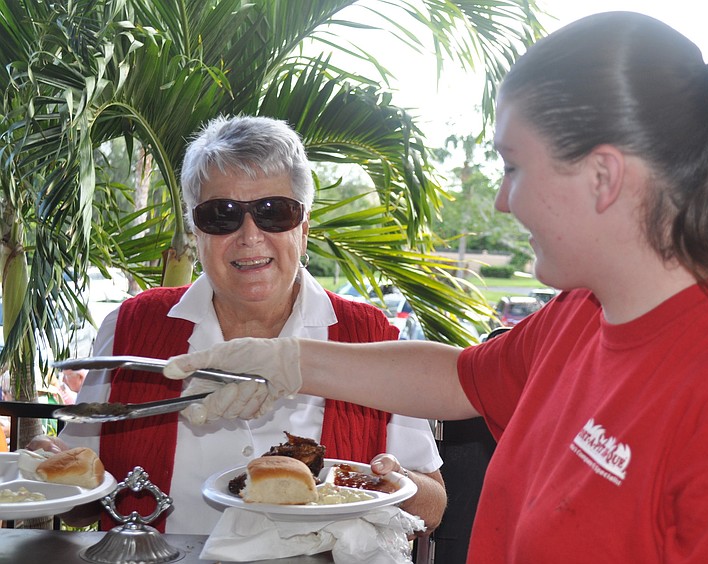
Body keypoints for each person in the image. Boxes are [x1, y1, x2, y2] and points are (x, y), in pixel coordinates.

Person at [163, 12, 708, 563]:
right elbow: (459, 378)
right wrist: (285, 364)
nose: (498, 200)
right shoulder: (582, 319)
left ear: (604, 178)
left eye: (513, 166)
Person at [33, 115, 446, 534]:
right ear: (195, 230)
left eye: (273, 212)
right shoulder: (132, 328)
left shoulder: (369, 336)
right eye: (221, 215)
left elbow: (431, 510)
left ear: (303, 228)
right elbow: (77, 510)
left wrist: (395, 484)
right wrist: (45, 467)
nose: (250, 235)